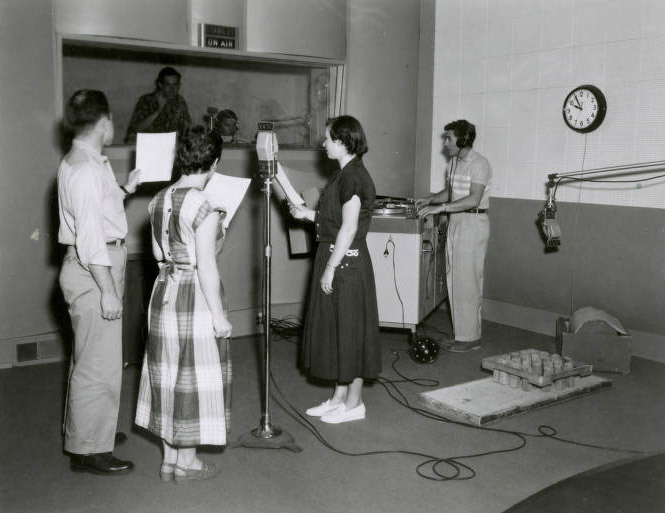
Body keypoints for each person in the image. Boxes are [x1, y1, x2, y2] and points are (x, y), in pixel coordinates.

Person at [134, 125, 233, 483]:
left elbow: (160, 252)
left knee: (166, 371)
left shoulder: (157, 199)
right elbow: (206, 264)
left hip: (164, 292)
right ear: (214, 162)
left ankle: (168, 459)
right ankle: (187, 462)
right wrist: (220, 317)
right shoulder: (204, 207)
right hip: (194, 293)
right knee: (191, 372)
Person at [58, 89, 141, 474]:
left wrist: (125, 189)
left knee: (91, 358)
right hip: (97, 269)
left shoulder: (83, 161)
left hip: (95, 264)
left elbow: (95, 213)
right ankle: (90, 451)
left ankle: (92, 434)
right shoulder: (87, 170)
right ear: (104, 122)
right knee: (99, 364)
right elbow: (91, 238)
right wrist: (108, 291)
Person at [290, 115, 381, 424]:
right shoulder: (343, 174)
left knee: (351, 332)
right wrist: (308, 214)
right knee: (339, 330)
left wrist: (330, 268)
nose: (323, 143)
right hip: (336, 257)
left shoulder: (354, 177)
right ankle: (338, 399)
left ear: (342, 141)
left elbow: (350, 227)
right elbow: (334, 219)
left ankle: (354, 404)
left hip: (346, 264)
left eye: (327, 138)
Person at [416, 119, 492, 352]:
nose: (445, 143)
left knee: (467, 281)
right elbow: (450, 192)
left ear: (462, 140)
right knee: (454, 279)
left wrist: (442, 208)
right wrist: (431, 199)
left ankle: (471, 338)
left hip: (474, 221)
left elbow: (473, 199)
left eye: (449, 138)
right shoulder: (453, 163)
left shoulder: (480, 164)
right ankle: (462, 335)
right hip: (457, 222)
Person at [124, 66, 192, 143]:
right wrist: (158, 111)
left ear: (179, 85)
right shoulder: (146, 100)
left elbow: (187, 130)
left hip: (172, 148)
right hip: (148, 146)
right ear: (160, 85)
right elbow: (135, 129)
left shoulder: (180, 101)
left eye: (175, 85)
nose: (172, 89)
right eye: (168, 85)